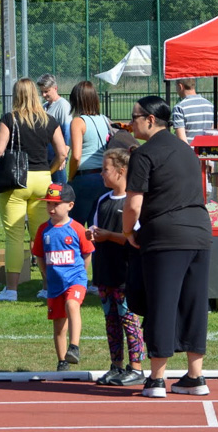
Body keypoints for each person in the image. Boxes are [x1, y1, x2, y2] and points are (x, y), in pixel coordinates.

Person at [123, 96, 212, 398]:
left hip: (165, 237)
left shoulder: (144, 154)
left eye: (134, 117)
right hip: (199, 232)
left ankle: (157, 378)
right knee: (193, 304)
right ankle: (195, 376)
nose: (130, 122)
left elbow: (133, 204)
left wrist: (128, 231)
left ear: (149, 119)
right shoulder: (187, 151)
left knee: (161, 304)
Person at [0, 78, 67, 302]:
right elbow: (62, 153)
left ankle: (11, 290)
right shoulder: (49, 120)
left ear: (16, 95)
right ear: (35, 94)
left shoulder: (10, 119)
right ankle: (46, 287)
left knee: (14, 235)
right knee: (42, 235)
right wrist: (49, 171)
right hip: (42, 180)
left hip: (15, 182)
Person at [88, 148, 145, 387]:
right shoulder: (102, 200)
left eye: (105, 169)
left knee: (128, 320)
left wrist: (109, 235)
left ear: (121, 171)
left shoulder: (133, 200)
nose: (101, 173)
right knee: (110, 321)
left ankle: (137, 368)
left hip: (125, 273)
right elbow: (94, 229)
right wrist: (92, 234)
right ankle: (116, 366)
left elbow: (134, 237)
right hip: (104, 272)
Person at [31, 183, 95, 372]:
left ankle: (74, 347)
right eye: (48, 204)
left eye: (56, 204)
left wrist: (81, 274)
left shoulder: (77, 229)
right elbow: (40, 256)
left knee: (72, 305)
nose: (51, 208)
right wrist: (46, 274)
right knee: (59, 325)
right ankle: (62, 361)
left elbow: (87, 253)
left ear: (70, 205)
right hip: (55, 283)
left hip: (75, 280)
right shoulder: (44, 230)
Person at [67, 81, 110, 226]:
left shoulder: (78, 122)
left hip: (84, 177)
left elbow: (76, 156)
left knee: (73, 225)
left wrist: (71, 177)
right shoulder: (105, 119)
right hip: (104, 178)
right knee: (96, 226)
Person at [37, 74, 71, 184]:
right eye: (42, 92)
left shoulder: (63, 105)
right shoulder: (44, 106)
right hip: (44, 157)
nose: (43, 94)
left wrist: (63, 158)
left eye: (46, 91)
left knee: (59, 193)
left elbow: (67, 132)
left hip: (56, 158)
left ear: (55, 88)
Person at [172, 78, 214, 144]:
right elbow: (214, 132)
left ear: (180, 86)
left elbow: (182, 140)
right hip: (207, 150)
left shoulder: (179, 108)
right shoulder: (210, 105)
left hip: (189, 152)